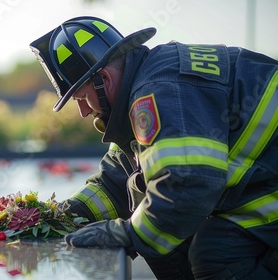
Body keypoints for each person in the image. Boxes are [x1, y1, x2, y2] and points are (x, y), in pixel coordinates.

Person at [29, 15, 278, 279]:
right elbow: (118, 181)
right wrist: (58, 216)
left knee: (216, 254)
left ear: (104, 79)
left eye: (80, 97)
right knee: (169, 229)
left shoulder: (158, 92)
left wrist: (128, 233)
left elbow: (186, 184)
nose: (81, 111)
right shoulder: (152, 82)